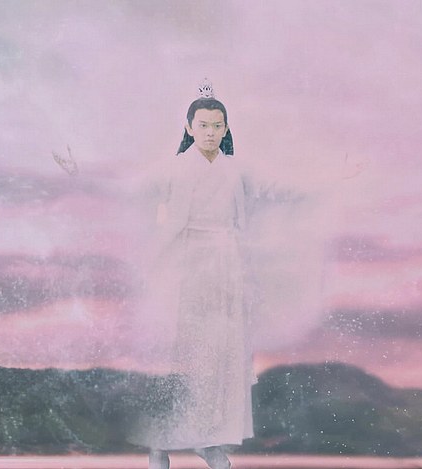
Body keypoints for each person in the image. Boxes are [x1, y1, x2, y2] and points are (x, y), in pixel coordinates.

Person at [131, 81, 252, 469]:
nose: (210, 133)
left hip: (224, 269)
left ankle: (208, 439)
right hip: (182, 267)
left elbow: (257, 209)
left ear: (226, 128)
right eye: (203, 125)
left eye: (217, 126)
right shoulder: (174, 169)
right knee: (176, 352)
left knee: (216, 359)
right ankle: (159, 442)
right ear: (188, 127)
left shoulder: (234, 170)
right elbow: (147, 206)